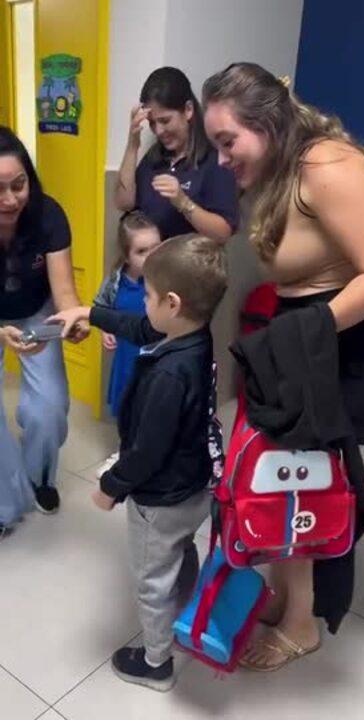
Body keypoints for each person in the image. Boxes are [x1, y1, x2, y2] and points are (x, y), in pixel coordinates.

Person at [203, 63, 364, 671]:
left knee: (300, 480)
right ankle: (291, 597)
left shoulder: (329, 168)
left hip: (336, 341)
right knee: (286, 476)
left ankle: (301, 623)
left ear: (266, 124)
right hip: (300, 339)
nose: (221, 159)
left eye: (226, 141)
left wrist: (303, 335)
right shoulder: (278, 170)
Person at [49, 234, 227, 691]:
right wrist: (90, 312)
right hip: (194, 484)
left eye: (147, 295)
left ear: (171, 302)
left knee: (151, 578)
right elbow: (141, 329)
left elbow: (148, 450)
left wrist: (112, 486)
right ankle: (185, 599)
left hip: (160, 497)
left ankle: (155, 662)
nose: (142, 302)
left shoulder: (170, 374)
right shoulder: (194, 333)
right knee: (182, 547)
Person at [0, 126, 87, 533]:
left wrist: (74, 320)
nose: (11, 199)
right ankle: (3, 502)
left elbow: (64, 292)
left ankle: (38, 478)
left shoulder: (48, 214)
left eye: (19, 185)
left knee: (49, 409)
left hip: (36, 313)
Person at [115, 66, 239, 243]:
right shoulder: (155, 157)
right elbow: (124, 203)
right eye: (152, 123)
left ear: (188, 110)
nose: (158, 131)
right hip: (150, 267)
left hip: (189, 267)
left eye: (165, 121)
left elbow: (223, 233)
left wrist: (183, 203)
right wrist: (132, 145)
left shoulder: (215, 160)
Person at [94, 210, 161, 478]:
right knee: (125, 408)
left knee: (152, 411)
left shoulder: (165, 278)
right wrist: (104, 329)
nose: (151, 256)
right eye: (142, 251)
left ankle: (149, 459)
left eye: (157, 247)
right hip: (126, 359)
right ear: (126, 255)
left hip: (156, 360)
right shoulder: (114, 282)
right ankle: (125, 453)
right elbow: (100, 308)